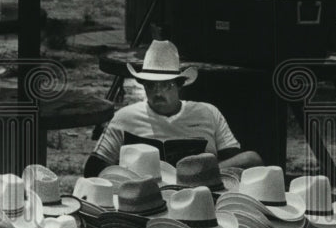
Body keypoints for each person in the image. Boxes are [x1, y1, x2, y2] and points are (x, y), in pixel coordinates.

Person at [84, 39, 262, 177]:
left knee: (252, 158)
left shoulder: (207, 113)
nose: (158, 92)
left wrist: (200, 174)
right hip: (145, 196)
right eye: (151, 85)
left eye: (166, 85)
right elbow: (94, 168)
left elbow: (236, 159)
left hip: (198, 192)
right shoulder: (125, 118)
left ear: (179, 85)